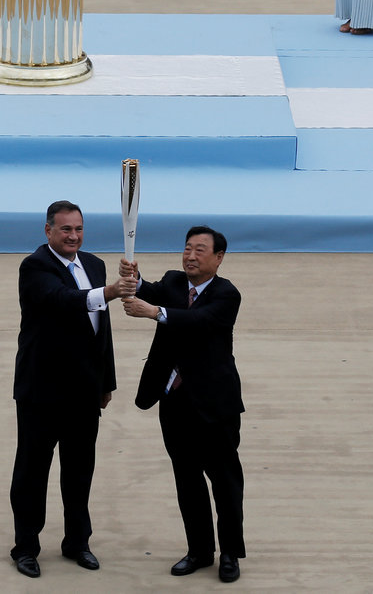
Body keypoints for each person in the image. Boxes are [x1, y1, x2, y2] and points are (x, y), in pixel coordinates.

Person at [9, 201, 136, 578]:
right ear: (48, 230)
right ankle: (26, 547)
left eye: (78, 229)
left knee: (80, 471)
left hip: (83, 391)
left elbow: (101, 331)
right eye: (65, 229)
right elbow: (62, 301)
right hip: (42, 391)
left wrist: (106, 381)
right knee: (32, 472)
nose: (73, 236)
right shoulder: (35, 267)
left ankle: (77, 542)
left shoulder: (94, 265)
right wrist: (111, 291)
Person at [121, 226, 245, 583]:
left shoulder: (226, 295)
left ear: (218, 258)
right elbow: (147, 290)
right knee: (187, 480)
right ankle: (199, 551)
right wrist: (134, 277)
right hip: (174, 402)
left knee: (225, 483)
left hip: (214, 407)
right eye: (187, 248)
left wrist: (154, 312)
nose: (190, 256)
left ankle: (230, 553)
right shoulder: (174, 282)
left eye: (200, 250)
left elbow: (198, 321)